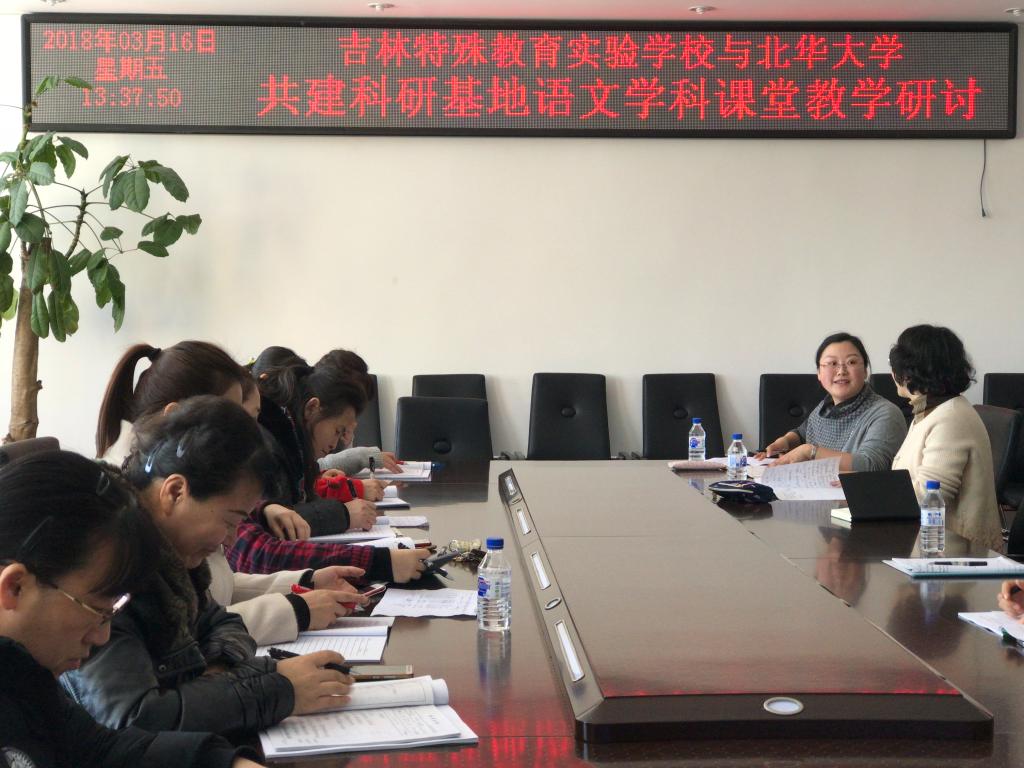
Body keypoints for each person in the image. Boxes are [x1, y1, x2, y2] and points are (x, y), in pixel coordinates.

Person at [63, 397, 354, 734]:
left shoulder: (169, 556)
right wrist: (275, 690)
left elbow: (223, 621)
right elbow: (136, 719)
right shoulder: (108, 564)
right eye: (230, 522)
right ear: (175, 492)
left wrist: (219, 677)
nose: (230, 540)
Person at [0, 450, 264, 768]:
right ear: (15, 588)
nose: (102, 636)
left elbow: (101, 750)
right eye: (96, 610)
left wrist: (227, 763)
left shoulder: (24, 675)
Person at [890, 324, 1002, 550]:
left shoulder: (950, 418)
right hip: (928, 542)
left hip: (956, 552)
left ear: (908, 373)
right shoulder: (930, 410)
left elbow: (930, 496)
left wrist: (872, 498)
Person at [758, 332, 907, 471]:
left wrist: (811, 452)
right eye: (832, 363)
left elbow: (872, 465)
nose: (841, 371)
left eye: (851, 362)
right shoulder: (825, 408)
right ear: (819, 373)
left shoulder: (886, 414)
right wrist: (785, 441)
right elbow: (803, 432)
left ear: (865, 370)